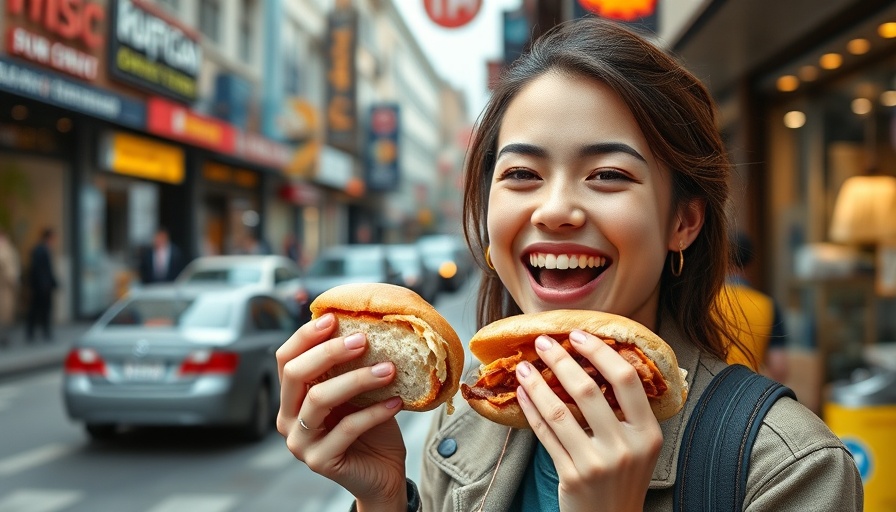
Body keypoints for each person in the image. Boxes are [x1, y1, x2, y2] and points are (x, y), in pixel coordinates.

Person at [275, 18, 862, 511]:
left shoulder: (791, 470)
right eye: (521, 175)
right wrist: (381, 499)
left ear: (684, 220)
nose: (554, 210)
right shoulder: (463, 429)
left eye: (608, 175)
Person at [720, 231, 789, 382]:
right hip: (748, 390)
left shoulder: (705, 301)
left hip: (709, 386)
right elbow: (779, 368)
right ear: (751, 263)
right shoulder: (767, 304)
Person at [26, 228, 58, 342]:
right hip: (41, 287)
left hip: (43, 285)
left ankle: (43, 331)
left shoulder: (44, 249)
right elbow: (39, 269)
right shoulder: (40, 250)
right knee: (37, 309)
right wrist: (44, 284)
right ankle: (34, 332)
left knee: (42, 309)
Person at [0, 228, 20, 347]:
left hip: (5, 288)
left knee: (5, 314)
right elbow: (11, 272)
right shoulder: (6, 250)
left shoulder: (6, 249)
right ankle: (3, 337)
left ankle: (4, 337)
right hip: (5, 289)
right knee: (4, 314)